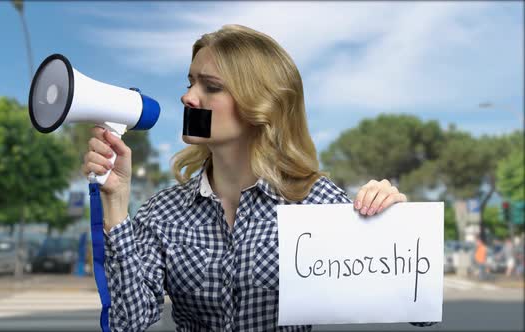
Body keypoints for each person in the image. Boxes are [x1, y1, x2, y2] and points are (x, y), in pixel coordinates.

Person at [82, 24, 433, 331]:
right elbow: (128, 323)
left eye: (211, 86)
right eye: (191, 82)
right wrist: (115, 204)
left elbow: (423, 313)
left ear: (258, 104)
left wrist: (392, 222)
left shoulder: (314, 202)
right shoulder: (163, 213)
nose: (188, 97)